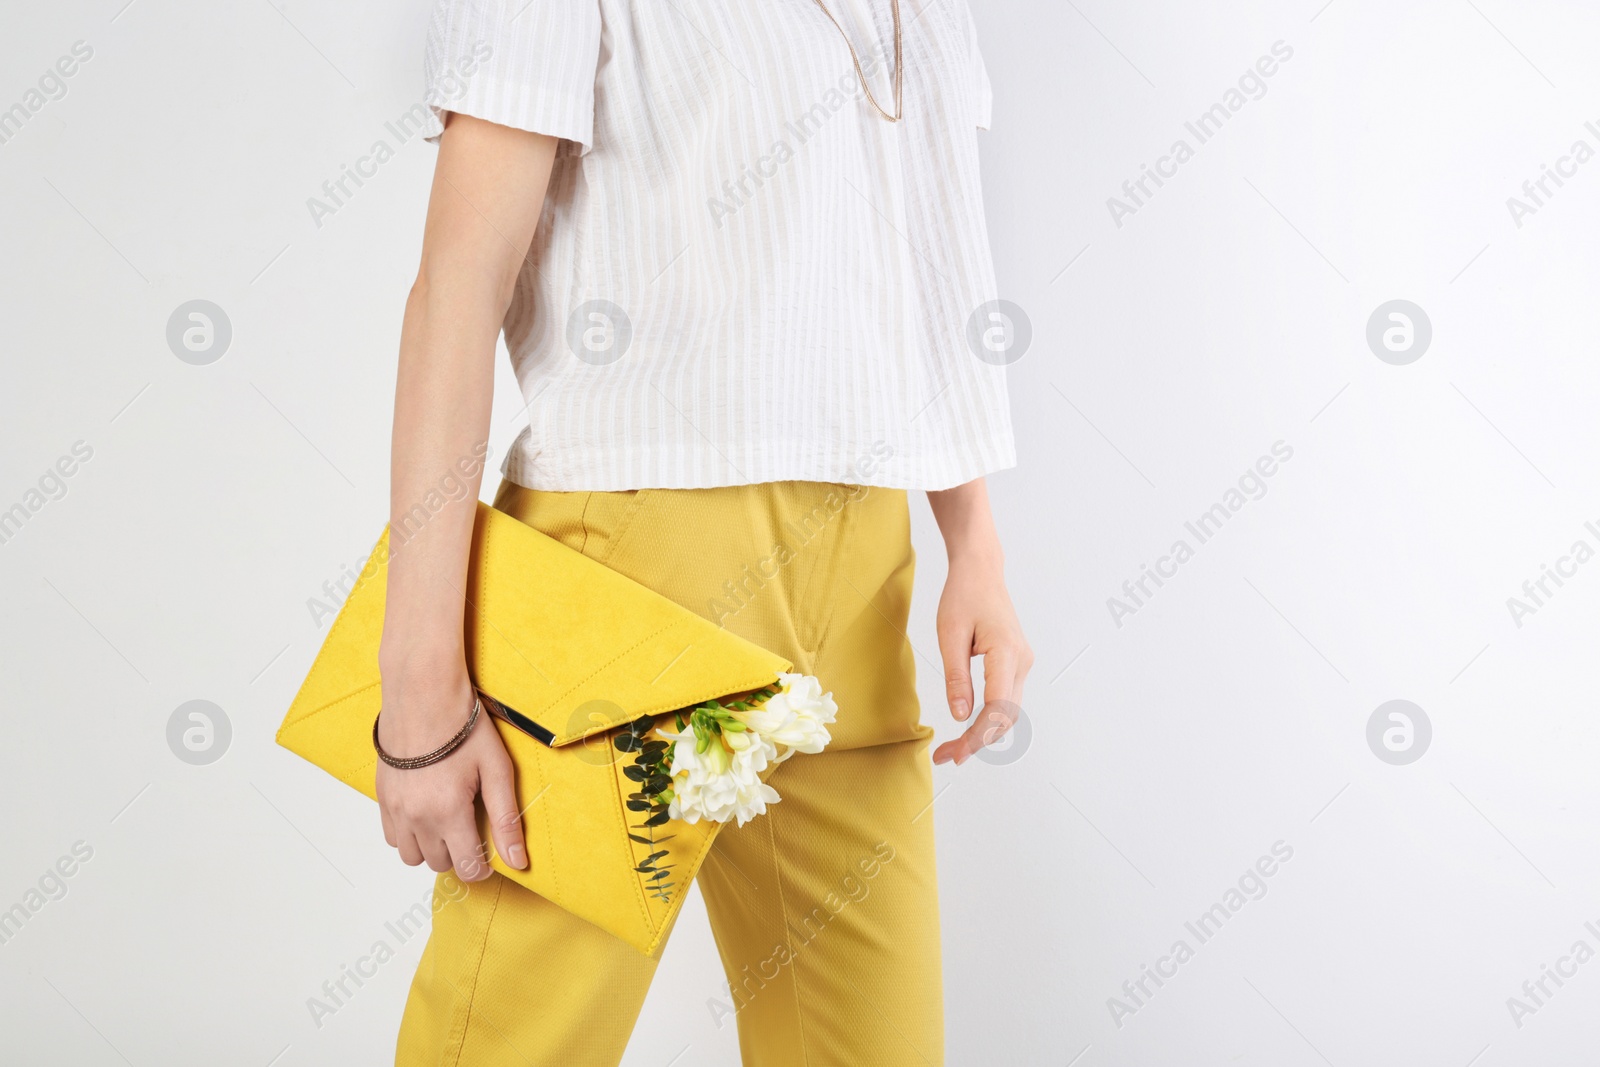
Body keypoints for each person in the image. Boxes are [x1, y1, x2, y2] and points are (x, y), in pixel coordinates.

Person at [374, 0, 1030, 1062]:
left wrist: (976, 542)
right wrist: (418, 690)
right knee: (510, 1042)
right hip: (633, 575)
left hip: (862, 570)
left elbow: (928, 246)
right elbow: (458, 287)